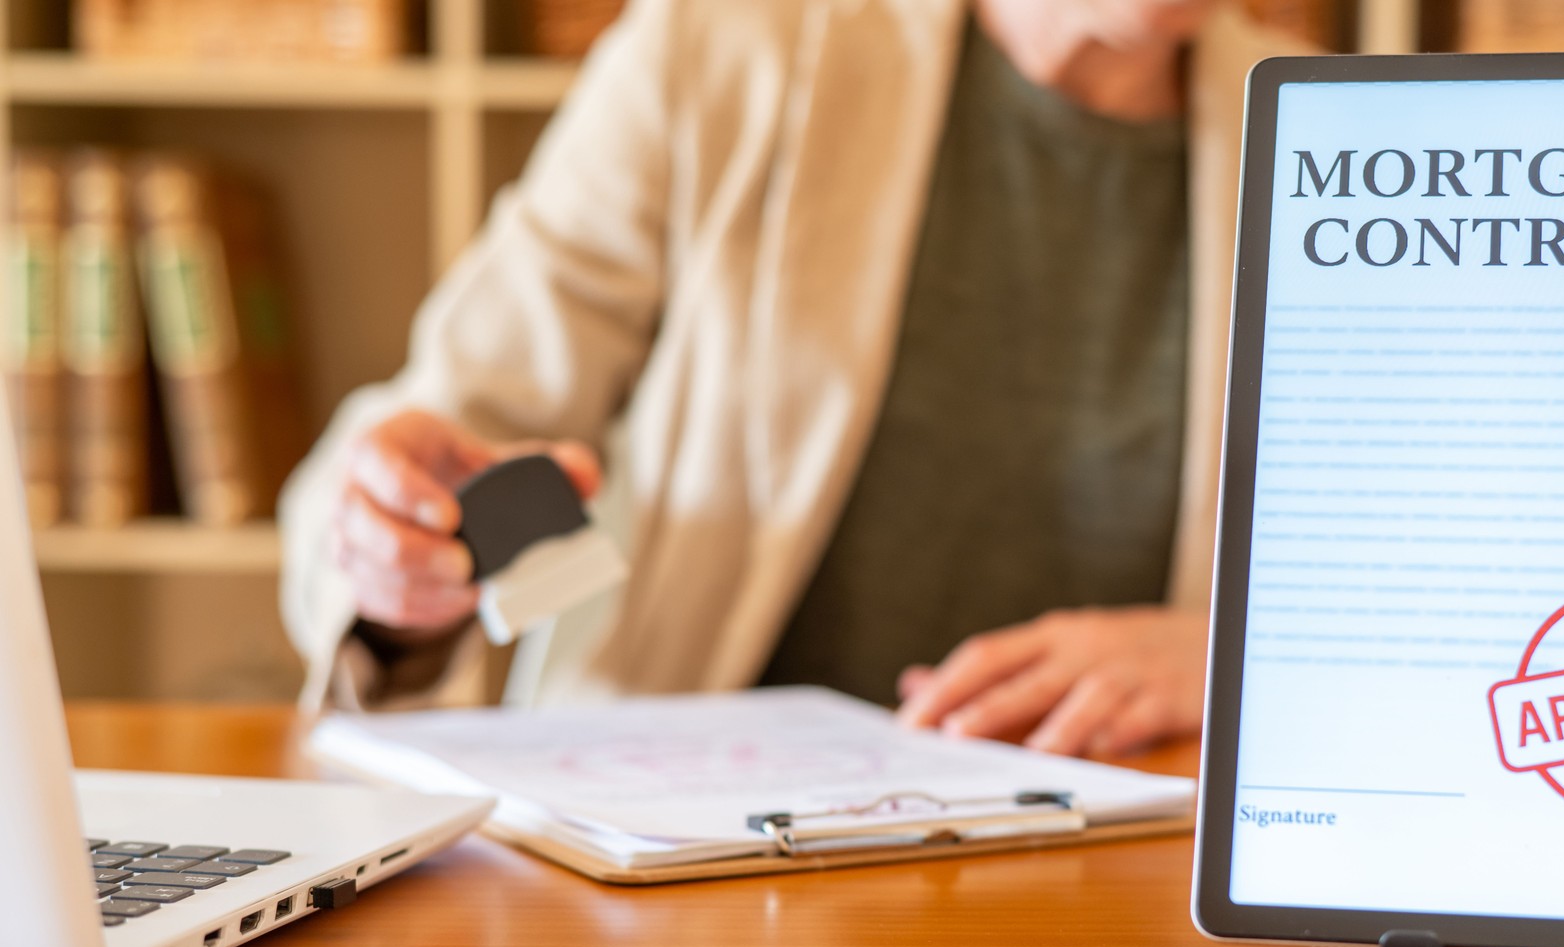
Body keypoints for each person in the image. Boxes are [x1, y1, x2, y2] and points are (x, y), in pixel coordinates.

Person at [279, 0, 1309, 755]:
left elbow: (1440, 603)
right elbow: (433, 432)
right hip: (692, 879)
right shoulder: (716, 54)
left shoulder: (1347, 133)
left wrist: (1236, 663)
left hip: (1130, 886)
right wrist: (396, 550)